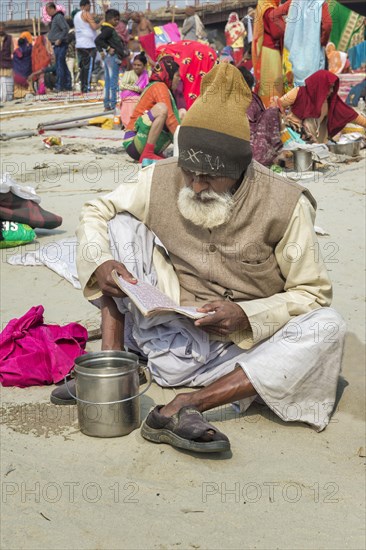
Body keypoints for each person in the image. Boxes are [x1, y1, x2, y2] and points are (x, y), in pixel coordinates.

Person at [53, 63, 346, 454]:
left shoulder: (285, 203)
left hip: (238, 350)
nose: (194, 184)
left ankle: (188, 405)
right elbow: (95, 210)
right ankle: (114, 369)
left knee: (327, 327)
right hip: (162, 331)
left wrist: (247, 315)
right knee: (119, 225)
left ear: (239, 169)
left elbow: (312, 294)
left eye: (208, 178)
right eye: (189, 171)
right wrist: (101, 260)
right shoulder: (161, 177)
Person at [270, 70, 366, 143]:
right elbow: (277, 104)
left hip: (313, 141)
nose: (332, 91)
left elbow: (352, 116)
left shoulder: (331, 101)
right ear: (320, 85)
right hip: (292, 136)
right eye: (329, 87)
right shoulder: (299, 92)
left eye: (333, 87)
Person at [122, 56, 181, 163]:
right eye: (177, 75)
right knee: (162, 109)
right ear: (169, 75)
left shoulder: (164, 87)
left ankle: (153, 152)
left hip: (141, 142)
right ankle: (148, 153)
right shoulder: (159, 86)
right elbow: (170, 118)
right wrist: (184, 143)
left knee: (181, 114)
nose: (179, 79)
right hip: (133, 143)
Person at [239, 66, 282, 167]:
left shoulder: (239, 99)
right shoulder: (248, 100)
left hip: (235, 151)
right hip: (251, 154)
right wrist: (272, 110)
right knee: (271, 112)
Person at [284, 0, 332, 87]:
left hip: (297, 54)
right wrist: (322, 42)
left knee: (300, 92)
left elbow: (288, 33)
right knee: (315, 88)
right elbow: (327, 25)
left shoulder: (294, 3)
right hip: (313, 53)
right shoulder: (320, 3)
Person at [252, 0, 291, 107]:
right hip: (271, 52)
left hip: (266, 51)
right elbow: (276, 32)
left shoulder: (262, 5)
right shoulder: (268, 8)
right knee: (273, 86)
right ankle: (272, 112)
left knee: (267, 86)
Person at [95, 9, 129, 112]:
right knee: (113, 82)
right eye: (116, 20)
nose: (117, 22)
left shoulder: (106, 28)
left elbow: (99, 41)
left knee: (108, 82)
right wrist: (108, 48)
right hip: (113, 58)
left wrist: (101, 50)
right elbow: (97, 40)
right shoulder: (109, 30)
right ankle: (113, 106)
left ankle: (107, 105)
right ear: (110, 19)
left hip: (110, 58)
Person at [74, 0, 100, 94]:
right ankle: (86, 88)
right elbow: (94, 27)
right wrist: (102, 22)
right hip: (88, 45)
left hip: (80, 44)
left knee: (83, 67)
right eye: (89, 6)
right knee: (89, 67)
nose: (90, 8)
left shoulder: (76, 16)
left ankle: (83, 87)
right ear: (86, 5)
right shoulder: (86, 14)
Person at [46, 2, 72, 92]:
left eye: (47, 10)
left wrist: (60, 39)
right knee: (62, 64)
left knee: (59, 65)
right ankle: (68, 85)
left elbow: (66, 28)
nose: (47, 12)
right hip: (57, 45)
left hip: (61, 44)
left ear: (52, 8)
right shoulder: (54, 18)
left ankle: (59, 86)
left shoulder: (58, 17)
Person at [119, 51, 149, 128]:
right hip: (129, 98)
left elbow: (149, 87)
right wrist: (138, 89)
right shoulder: (129, 74)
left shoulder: (147, 75)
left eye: (139, 65)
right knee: (131, 97)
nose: (136, 67)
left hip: (143, 97)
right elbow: (122, 86)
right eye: (134, 65)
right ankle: (129, 124)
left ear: (144, 66)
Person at [12, 33, 33, 99]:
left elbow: (14, 62)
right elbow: (31, 47)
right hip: (27, 72)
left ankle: (19, 94)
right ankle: (28, 92)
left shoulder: (16, 52)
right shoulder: (29, 49)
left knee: (17, 87)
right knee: (28, 83)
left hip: (18, 74)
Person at [0, 23, 14, 103]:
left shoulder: (9, 38)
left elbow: (12, 50)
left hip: (6, 62)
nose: (1, 29)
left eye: (2, 27)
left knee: (6, 79)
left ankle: (7, 98)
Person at [65, 18, 77, 90]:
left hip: (70, 55)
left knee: (70, 71)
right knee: (73, 71)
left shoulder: (71, 34)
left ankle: (71, 85)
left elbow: (66, 41)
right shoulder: (75, 33)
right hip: (73, 54)